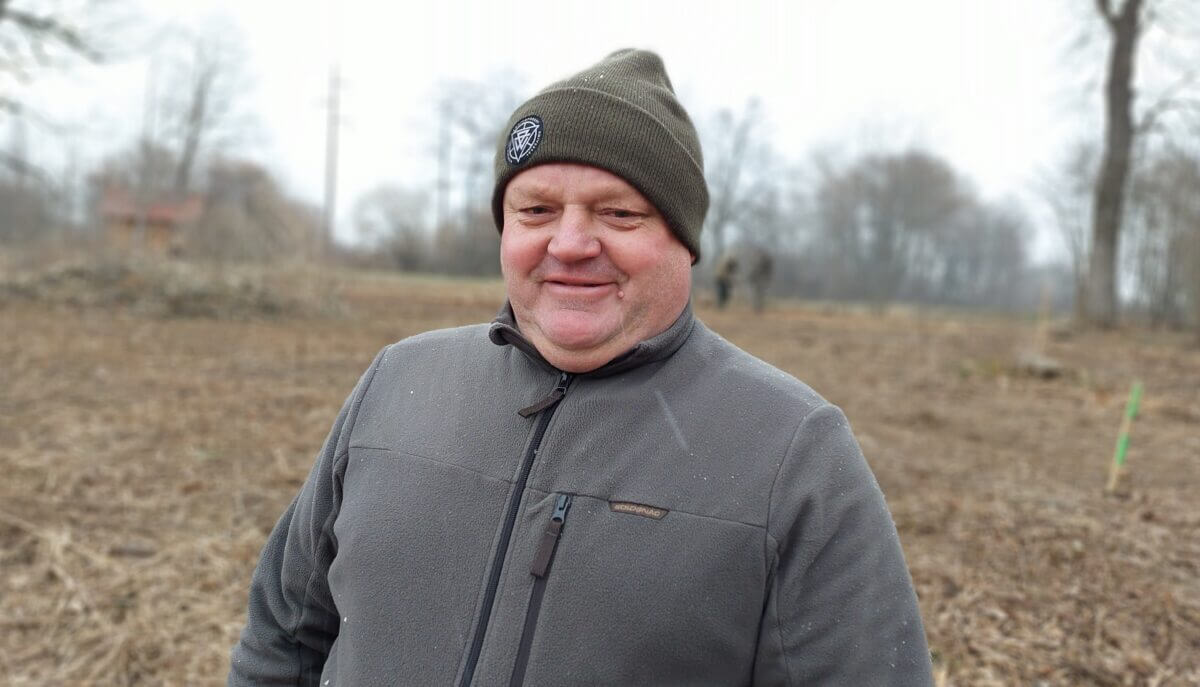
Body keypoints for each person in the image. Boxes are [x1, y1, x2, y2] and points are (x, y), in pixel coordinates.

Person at [229, 49, 933, 686]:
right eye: (536, 209)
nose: (568, 244)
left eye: (618, 214)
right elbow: (282, 641)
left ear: (683, 241)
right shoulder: (398, 382)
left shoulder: (794, 451)